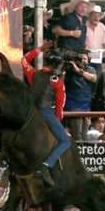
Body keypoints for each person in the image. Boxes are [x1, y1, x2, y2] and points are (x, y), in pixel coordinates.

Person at [21, 44, 70, 187]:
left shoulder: (33, 73)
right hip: (46, 112)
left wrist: (40, 49)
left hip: (30, 112)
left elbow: (24, 59)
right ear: (58, 65)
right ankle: (46, 164)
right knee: (65, 141)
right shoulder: (57, 81)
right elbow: (60, 104)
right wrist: (57, 120)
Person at [64, 50, 97, 141]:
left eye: (85, 59)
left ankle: (83, 154)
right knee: (77, 136)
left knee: (85, 136)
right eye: (80, 59)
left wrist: (78, 71)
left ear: (88, 60)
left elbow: (93, 79)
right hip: (74, 107)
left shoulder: (91, 69)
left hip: (86, 107)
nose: (83, 61)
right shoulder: (69, 70)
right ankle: (77, 154)